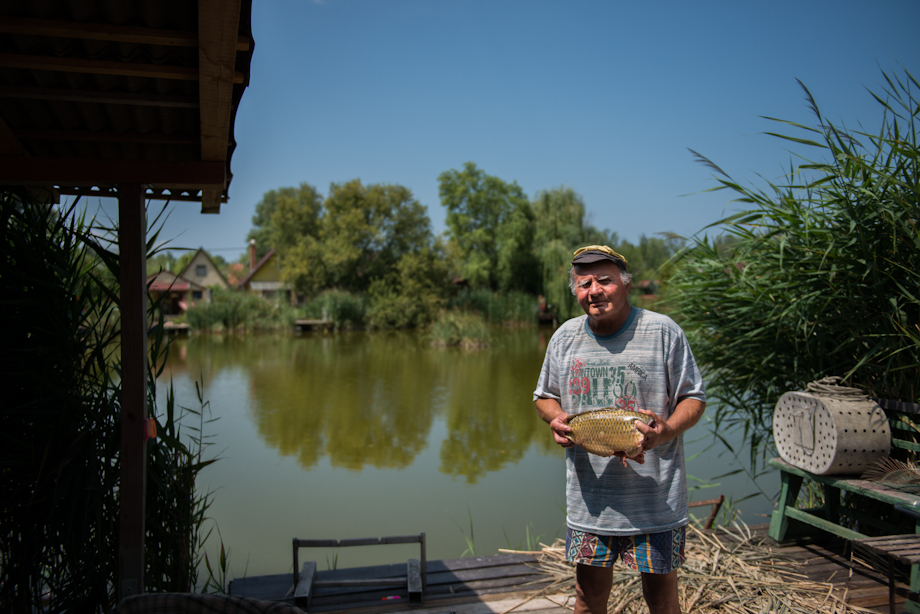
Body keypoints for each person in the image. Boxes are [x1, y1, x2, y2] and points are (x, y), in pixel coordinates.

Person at [533, 245, 706, 614]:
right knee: (587, 596)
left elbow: (694, 399)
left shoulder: (664, 331)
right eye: (584, 284)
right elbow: (543, 397)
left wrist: (668, 428)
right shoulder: (564, 337)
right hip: (591, 505)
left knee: (661, 599)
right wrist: (556, 418)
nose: (594, 291)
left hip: (656, 502)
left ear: (626, 285)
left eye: (605, 281)